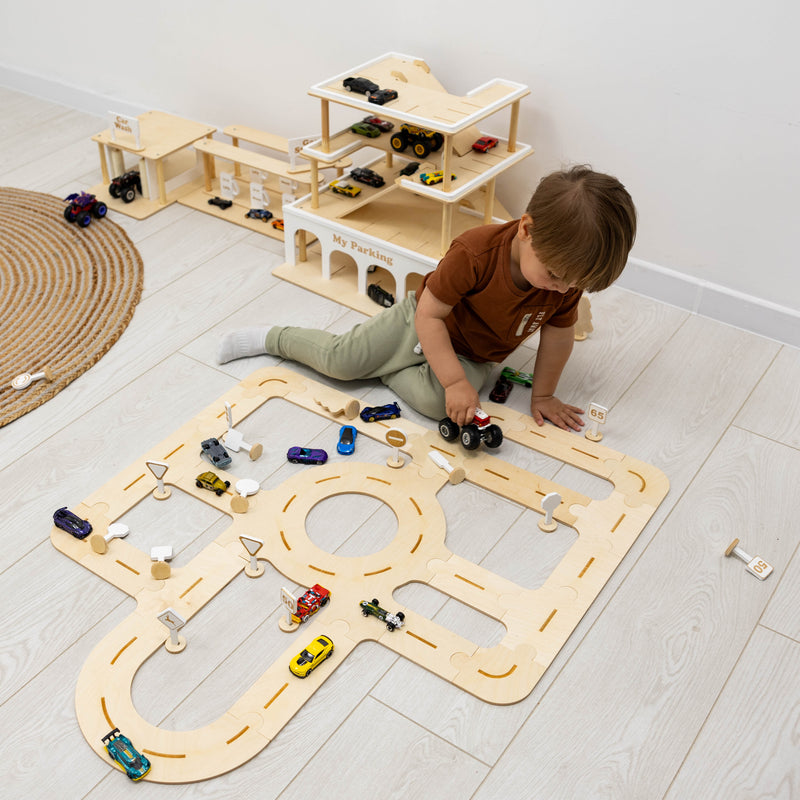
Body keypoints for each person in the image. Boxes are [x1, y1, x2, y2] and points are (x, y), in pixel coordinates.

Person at [217, 165, 636, 431]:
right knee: (341, 363)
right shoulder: (475, 252)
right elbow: (431, 315)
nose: (564, 290)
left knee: (446, 406)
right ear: (525, 230)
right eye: (557, 277)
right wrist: (453, 380)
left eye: (573, 285)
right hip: (420, 321)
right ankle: (272, 338)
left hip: (473, 354)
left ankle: (387, 369)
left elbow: (558, 337)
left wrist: (543, 396)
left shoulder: (566, 282)